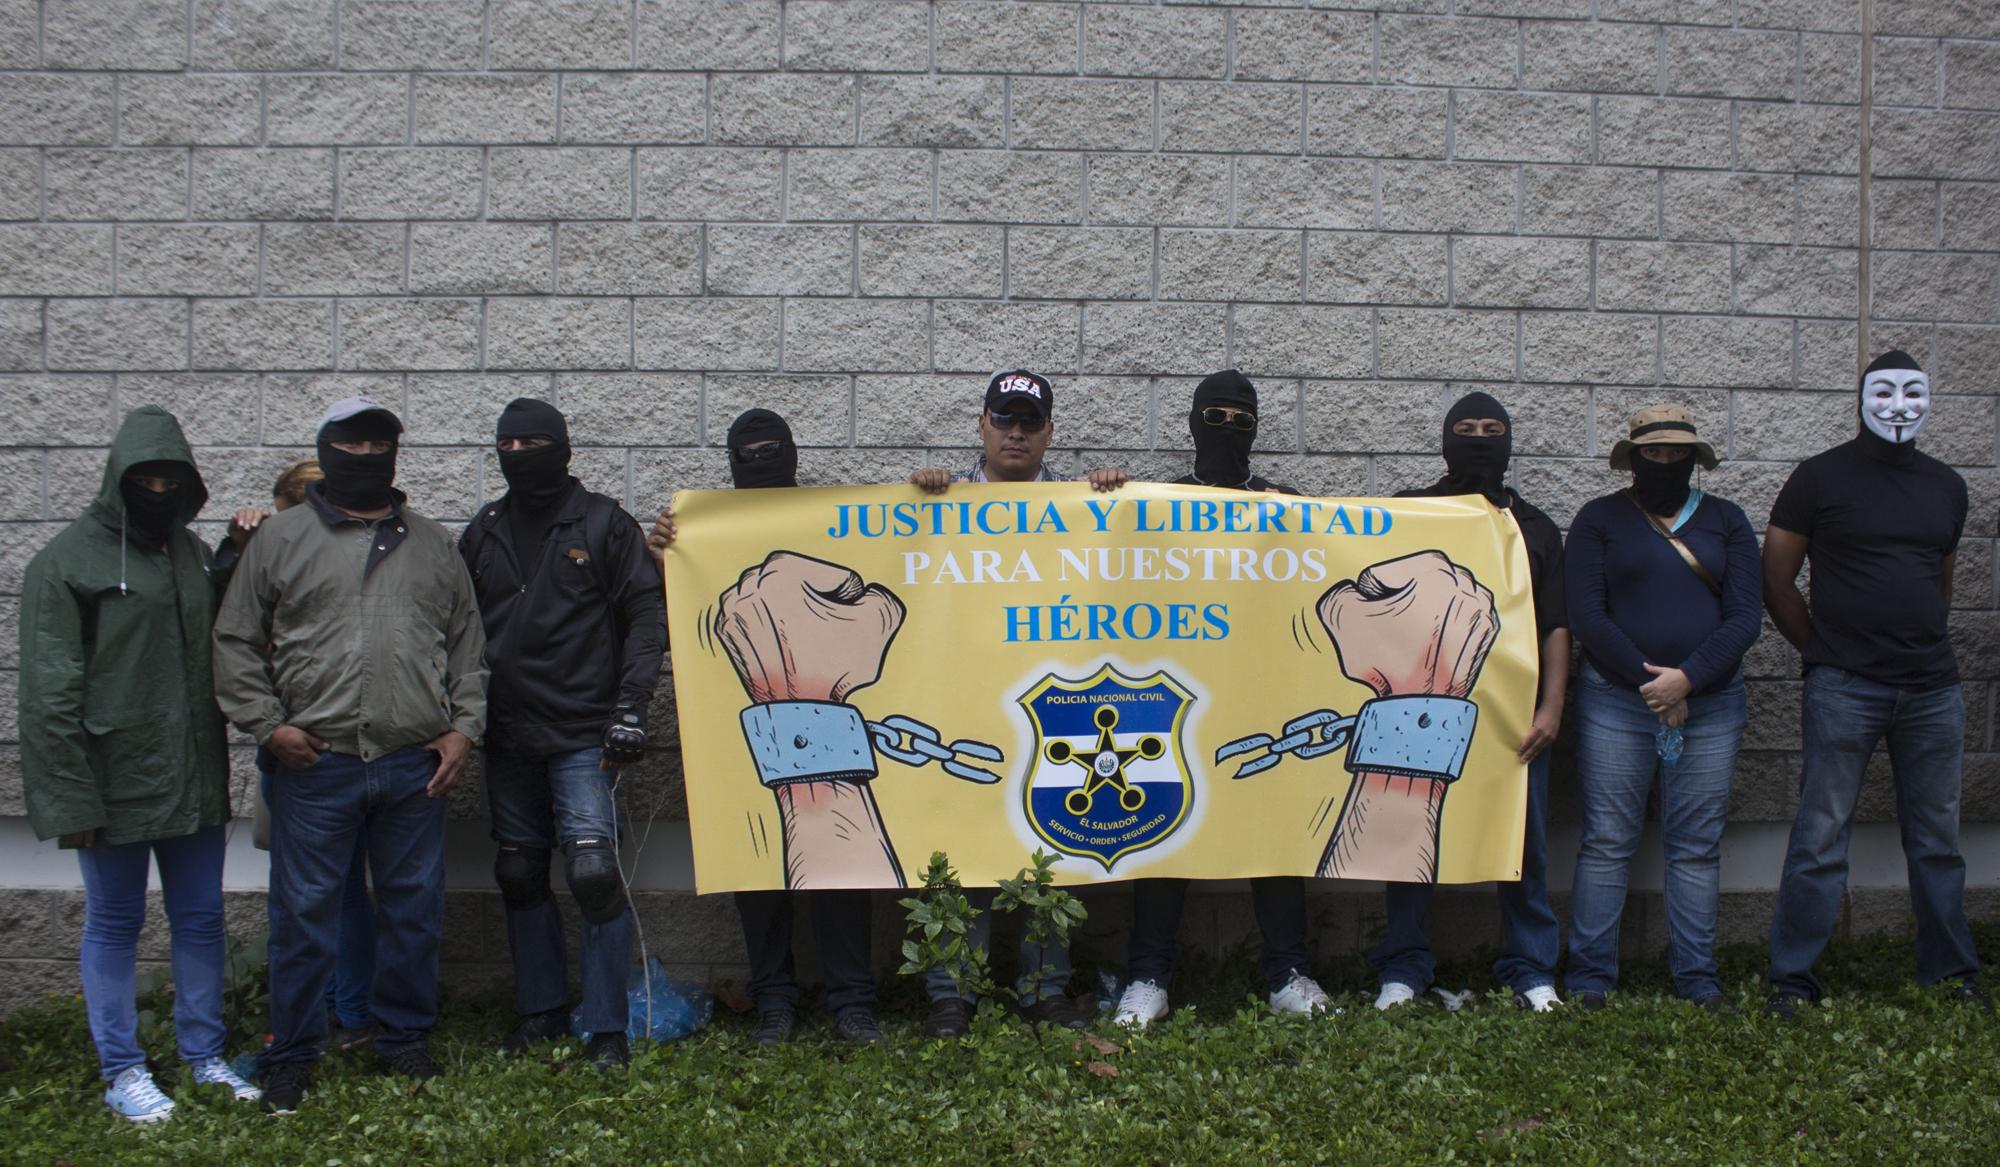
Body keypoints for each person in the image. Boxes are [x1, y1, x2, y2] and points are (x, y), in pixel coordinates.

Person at [214, 395, 488, 1114]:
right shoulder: (281, 540)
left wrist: (464, 728)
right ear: (326, 451)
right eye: (350, 446)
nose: (365, 458)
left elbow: (468, 647)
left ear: (396, 453)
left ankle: (401, 1037)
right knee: (303, 917)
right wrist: (267, 723)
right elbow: (236, 639)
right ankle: (294, 1054)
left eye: (379, 445)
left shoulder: (433, 544)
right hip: (316, 764)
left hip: (411, 764)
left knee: (413, 911)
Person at [19, 406, 261, 1122]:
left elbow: (213, 629)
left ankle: (204, 1053)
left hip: (191, 774)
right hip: (112, 783)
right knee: (115, 921)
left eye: (169, 478)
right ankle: (121, 1068)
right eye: (144, 478)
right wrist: (70, 800)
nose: (157, 489)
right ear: (117, 480)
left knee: (201, 918)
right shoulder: (64, 563)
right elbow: (47, 695)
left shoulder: (184, 551)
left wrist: (232, 557)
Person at [648, 409, 886, 1045]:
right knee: (753, 866)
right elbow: (662, 610)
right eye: (747, 454)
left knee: (838, 873)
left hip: (809, 719)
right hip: (737, 726)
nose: (760, 462)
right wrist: (665, 556)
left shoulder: (824, 528)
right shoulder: (711, 532)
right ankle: (774, 995)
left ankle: (850, 998)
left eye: (770, 452)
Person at [1762, 351, 1986, 1017]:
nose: (1897, 404)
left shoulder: (1947, 486)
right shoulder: (1818, 478)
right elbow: (1778, 580)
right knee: (1820, 835)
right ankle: (1792, 978)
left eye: (1911, 392)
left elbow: (1939, 582)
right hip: (1844, 688)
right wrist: (1824, 652)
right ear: (1862, 397)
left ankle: (1950, 973)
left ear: (1927, 400)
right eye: (1883, 391)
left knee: (1938, 839)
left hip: (1933, 690)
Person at [908, 369, 1129, 1037]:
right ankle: (952, 989)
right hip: (959, 699)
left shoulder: (1083, 503)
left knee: (1050, 834)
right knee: (955, 838)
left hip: (1049, 701)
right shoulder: (939, 500)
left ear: (1048, 433)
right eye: (1004, 419)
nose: (1015, 432)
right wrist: (915, 498)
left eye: (1029, 422)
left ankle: (1044, 985)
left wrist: (1119, 500)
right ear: (981, 424)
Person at [1112, 370, 1330, 1028]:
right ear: (1193, 423)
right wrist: (1105, 496)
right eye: (1217, 416)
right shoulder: (1158, 501)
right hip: (1172, 701)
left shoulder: (1282, 504)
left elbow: (1326, 564)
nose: (1228, 430)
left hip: (1260, 700)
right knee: (1163, 829)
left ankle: (1287, 972)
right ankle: (1147, 975)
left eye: (1242, 419)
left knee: (1272, 830)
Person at [460, 399, 666, 1070]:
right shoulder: (483, 531)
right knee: (519, 870)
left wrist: (631, 707)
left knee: (594, 873)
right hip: (507, 731)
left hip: (586, 732)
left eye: (535, 440)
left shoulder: (603, 522)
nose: (520, 451)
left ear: (563, 448)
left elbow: (645, 615)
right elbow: (456, 628)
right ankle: (540, 1011)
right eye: (509, 441)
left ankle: (606, 1026)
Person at [1371, 391, 1570, 1013]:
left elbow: (1556, 625)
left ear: (1509, 441)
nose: (1480, 437)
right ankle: (1402, 969)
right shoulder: (1409, 513)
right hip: (1421, 706)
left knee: (1524, 842)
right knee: (1408, 836)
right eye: (1466, 427)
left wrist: (1552, 708)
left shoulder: (1535, 527)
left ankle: (1532, 968)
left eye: (1492, 429)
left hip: (1514, 717)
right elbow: (1346, 554)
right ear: (1444, 440)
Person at [1562, 406, 1761, 1012]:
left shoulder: (1728, 521)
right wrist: (1654, 685)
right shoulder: (1599, 520)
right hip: (1615, 702)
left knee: (1695, 845)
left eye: (1679, 454)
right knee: (1607, 841)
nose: (1667, 463)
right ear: (1634, 457)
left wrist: (1689, 681)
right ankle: (1590, 977)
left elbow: (1745, 617)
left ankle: (1697, 978)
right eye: (1656, 453)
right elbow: (1588, 615)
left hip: (1712, 704)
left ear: (1695, 460)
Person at [223, 460, 380, 1052]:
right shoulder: (267, 555)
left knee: (319, 893)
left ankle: (342, 1013)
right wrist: (240, 552)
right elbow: (235, 635)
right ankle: (334, 1015)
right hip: (290, 749)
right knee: (323, 893)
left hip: (327, 750)